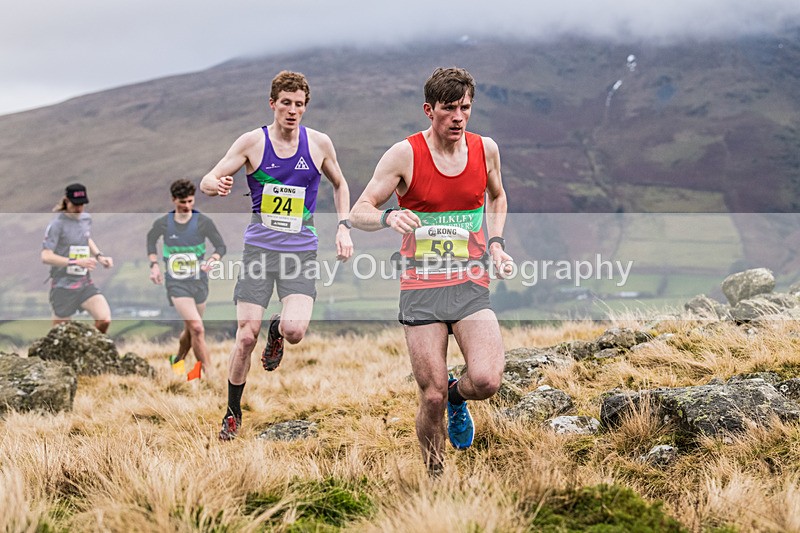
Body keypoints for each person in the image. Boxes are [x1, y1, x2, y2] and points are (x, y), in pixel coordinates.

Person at [350, 67, 514, 474]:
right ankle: (435, 477)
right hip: (421, 287)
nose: (459, 117)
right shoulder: (404, 155)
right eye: (449, 109)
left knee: (488, 379)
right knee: (432, 395)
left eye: (466, 108)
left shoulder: (484, 149)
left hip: (470, 281)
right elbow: (359, 211)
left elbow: (497, 197)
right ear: (429, 109)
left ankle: (462, 398)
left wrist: (495, 243)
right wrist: (389, 218)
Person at [200, 70, 354, 440]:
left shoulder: (318, 144)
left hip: (300, 253)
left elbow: (341, 184)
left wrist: (344, 226)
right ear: (273, 103)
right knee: (245, 337)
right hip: (259, 251)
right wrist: (213, 185)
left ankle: (278, 329)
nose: (292, 111)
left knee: (295, 331)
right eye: (286, 103)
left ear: (305, 107)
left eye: (299, 105)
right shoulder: (253, 142)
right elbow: (209, 178)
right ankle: (233, 412)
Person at [146, 179, 227, 380]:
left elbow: (221, 247)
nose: (187, 206)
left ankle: (178, 360)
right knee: (198, 328)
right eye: (183, 202)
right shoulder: (164, 223)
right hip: (176, 283)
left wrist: (213, 260)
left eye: (190, 201)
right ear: (174, 200)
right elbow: (151, 239)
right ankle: (209, 375)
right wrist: (154, 264)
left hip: (199, 282)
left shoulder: (203, 222)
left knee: (191, 329)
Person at [41, 183, 114, 333]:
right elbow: (45, 256)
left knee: (104, 319)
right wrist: (75, 262)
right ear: (66, 201)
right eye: (75, 205)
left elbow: (86, 238)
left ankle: (88, 350)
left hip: (84, 283)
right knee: (60, 336)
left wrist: (100, 256)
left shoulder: (86, 219)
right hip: (63, 286)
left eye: (82, 204)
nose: (79, 208)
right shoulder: (57, 225)